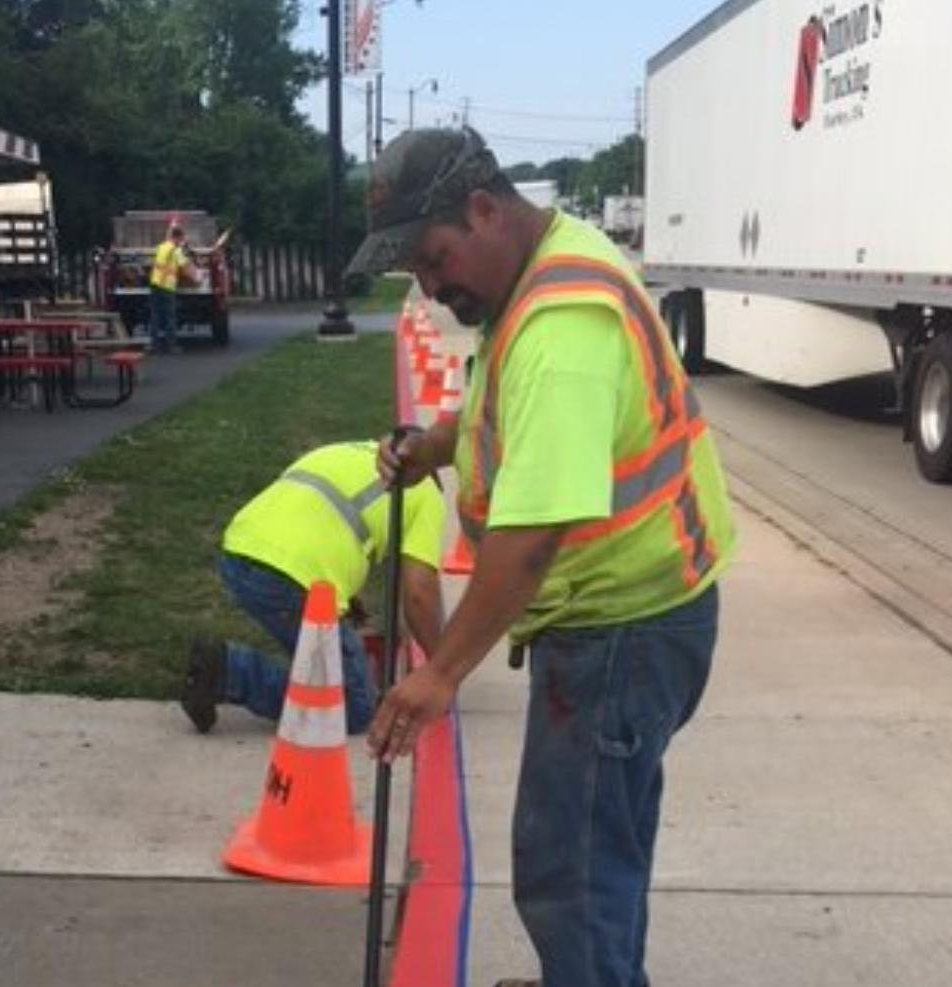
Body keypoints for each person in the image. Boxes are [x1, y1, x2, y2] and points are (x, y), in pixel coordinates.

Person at [348, 126, 737, 987]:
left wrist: (438, 671)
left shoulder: (562, 323)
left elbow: (530, 536)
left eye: (433, 258)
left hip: (621, 629)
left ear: (484, 209)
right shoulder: (536, 271)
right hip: (638, 617)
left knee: (570, 868)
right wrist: (437, 444)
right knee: (602, 848)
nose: (432, 284)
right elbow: (503, 415)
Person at [180, 439, 445, 736]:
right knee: (353, 707)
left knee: (323, 663)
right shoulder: (427, 493)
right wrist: (444, 669)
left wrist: (346, 595)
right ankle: (231, 672)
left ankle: (236, 670)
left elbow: (321, 517)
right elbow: (419, 594)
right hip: (291, 579)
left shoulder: (345, 451)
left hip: (238, 552)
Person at [148, 223, 188, 353]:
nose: (181, 241)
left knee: (155, 316)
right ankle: (171, 346)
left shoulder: (161, 247)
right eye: (181, 239)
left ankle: (153, 345)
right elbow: (184, 266)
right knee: (170, 316)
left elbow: (156, 263)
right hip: (167, 286)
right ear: (177, 237)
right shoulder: (175, 250)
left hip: (155, 284)